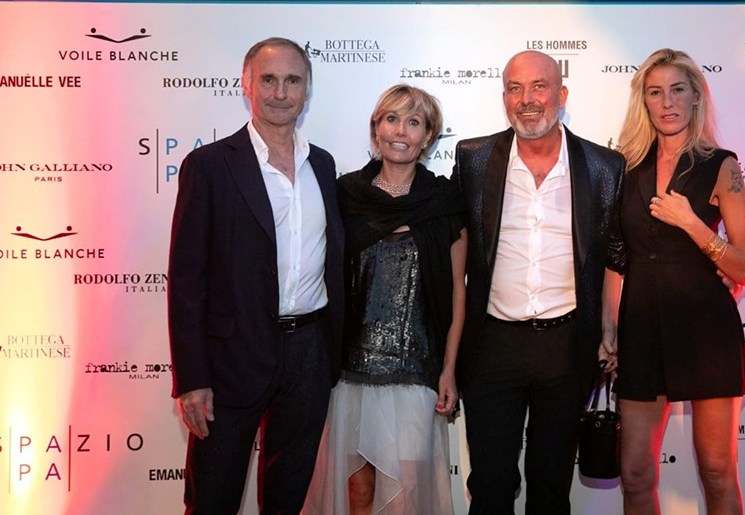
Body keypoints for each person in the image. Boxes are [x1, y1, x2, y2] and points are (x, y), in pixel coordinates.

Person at [167, 37, 344, 514]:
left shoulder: (323, 164)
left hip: (309, 352)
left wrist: (328, 354)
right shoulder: (209, 166)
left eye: (293, 81)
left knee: (288, 496)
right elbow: (186, 280)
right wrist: (192, 377)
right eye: (268, 80)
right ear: (246, 85)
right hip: (231, 356)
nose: (281, 93)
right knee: (213, 497)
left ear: (307, 90)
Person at [452, 50, 625, 514]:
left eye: (539, 86)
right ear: (504, 97)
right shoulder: (474, 159)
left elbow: (616, 254)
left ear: (561, 95)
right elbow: (447, 236)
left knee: (551, 488)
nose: (526, 99)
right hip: (492, 346)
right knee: (490, 486)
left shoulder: (604, 166)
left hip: (568, 347)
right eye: (515, 88)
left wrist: (609, 330)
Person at [304, 84, 467, 515]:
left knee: (405, 497)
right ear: (376, 128)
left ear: (428, 137)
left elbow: (456, 290)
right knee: (357, 492)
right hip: (351, 372)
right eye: (391, 119)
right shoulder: (345, 196)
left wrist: (450, 370)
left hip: (416, 372)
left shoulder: (444, 201)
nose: (400, 131)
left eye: (414, 122)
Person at [606, 48, 745, 515]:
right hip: (640, 327)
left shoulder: (721, 166)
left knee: (716, 469)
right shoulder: (622, 166)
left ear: (696, 97)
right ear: (644, 101)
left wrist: (692, 223)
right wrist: (608, 328)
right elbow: (615, 257)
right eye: (656, 92)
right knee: (634, 473)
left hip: (706, 329)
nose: (667, 102)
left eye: (677, 90)